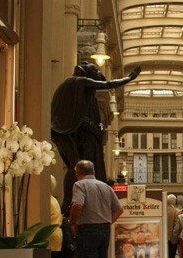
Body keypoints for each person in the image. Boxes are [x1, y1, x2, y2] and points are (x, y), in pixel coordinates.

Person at [51, 62, 140, 211]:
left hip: (63, 130)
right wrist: (129, 78)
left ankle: (69, 203)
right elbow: (106, 84)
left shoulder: (76, 87)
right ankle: (68, 204)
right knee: (75, 165)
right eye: (95, 71)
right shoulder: (78, 81)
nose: (97, 75)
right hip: (62, 129)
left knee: (74, 165)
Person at [167, 194, 182, 258]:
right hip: (171, 239)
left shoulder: (161, 210)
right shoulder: (176, 211)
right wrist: (174, 238)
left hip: (162, 239)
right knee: (171, 257)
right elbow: (176, 226)